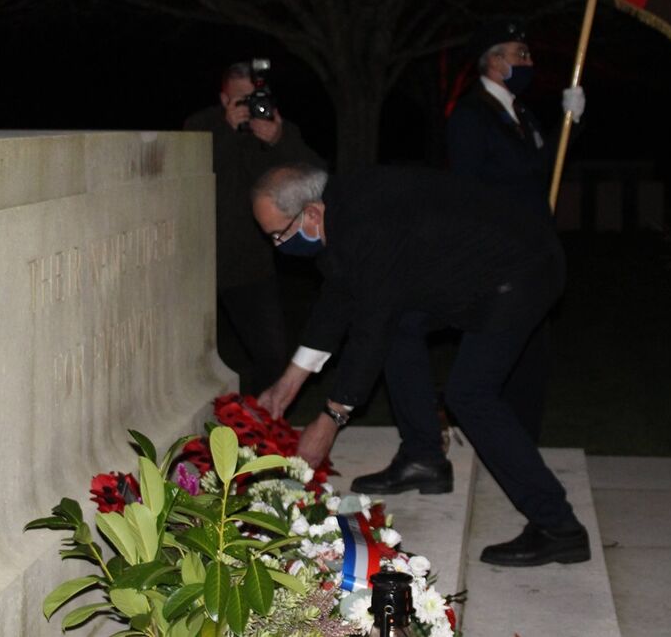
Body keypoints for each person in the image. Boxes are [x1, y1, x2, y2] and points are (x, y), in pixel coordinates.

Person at [253, 163, 590, 567]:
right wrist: (289, 382)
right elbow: (338, 299)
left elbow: (370, 327)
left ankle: (559, 526)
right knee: (401, 328)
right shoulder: (340, 211)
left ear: (310, 213)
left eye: (278, 234)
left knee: (470, 395)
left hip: (520, 269)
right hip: (472, 267)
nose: (277, 246)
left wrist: (331, 418)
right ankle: (423, 458)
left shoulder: (367, 225)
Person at [446, 17, 585, 443]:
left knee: (534, 361)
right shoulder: (471, 117)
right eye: (519, 54)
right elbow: (467, 192)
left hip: (534, 254)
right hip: (502, 260)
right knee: (496, 363)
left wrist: (570, 125)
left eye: (528, 54)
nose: (528, 62)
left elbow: (542, 170)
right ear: (493, 63)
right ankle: (499, 442)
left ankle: (523, 445)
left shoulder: (520, 112)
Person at [185, 62, 323, 393]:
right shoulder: (201, 126)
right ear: (223, 98)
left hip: (250, 266)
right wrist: (226, 132)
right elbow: (189, 178)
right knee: (190, 360)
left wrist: (279, 140)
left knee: (272, 355)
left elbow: (315, 178)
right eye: (239, 100)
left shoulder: (277, 128)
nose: (249, 107)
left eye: (254, 97)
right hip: (197, 264)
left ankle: (260, 428)